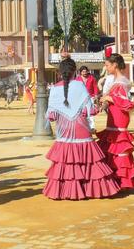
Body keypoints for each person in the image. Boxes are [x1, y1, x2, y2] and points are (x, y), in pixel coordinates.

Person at [43, 57, 119, 200]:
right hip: (81, 130)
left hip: (63, 132)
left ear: (60, 73)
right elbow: (90, 111)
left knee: (67, 163)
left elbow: (51, 116)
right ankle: (92, 190)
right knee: (90, 162)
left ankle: (65, 192)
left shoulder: (54, 89)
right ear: (74, 72)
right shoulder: (79, 86)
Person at [97, 53, 134, 190]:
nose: (106, 67)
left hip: (119, 119)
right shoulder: (115, 80)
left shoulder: (122, 81)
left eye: (107, 65)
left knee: (118, 147)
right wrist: (105, 102)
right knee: (110, 148)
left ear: (115, 65)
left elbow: (127, 103)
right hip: (113, 117)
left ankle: (121, 182)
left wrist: (109, 99)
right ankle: (113, 181)